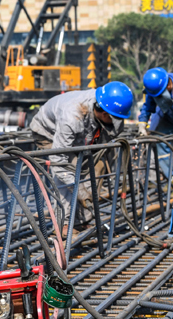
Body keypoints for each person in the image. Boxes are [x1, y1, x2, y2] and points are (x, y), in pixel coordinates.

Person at [29, 81, 134, 231]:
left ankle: (83, 219)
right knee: (68, 169)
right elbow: (58, 160)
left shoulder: (104, 108)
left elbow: (110, 136)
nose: (116, 124)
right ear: (105, 114)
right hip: (48, 132)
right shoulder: (72, 116)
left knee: (96, 166)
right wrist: (78, 190)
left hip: (78, 136)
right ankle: (64, 223)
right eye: (114, 119)